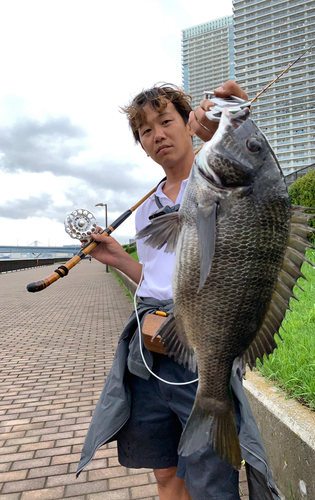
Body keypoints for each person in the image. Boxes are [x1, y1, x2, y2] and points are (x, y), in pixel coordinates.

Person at [77, 81, 281, 500]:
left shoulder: (223, 185)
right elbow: (155, 278)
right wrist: (118, 258)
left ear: (189, 124)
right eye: (146, 131)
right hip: (148, 348)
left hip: (199, 349)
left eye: (166, 121)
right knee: (166, 475)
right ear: (143, 146)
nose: (157, 134)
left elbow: (259, 183)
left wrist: (231, 114)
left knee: (210, 483)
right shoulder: (149, 206)